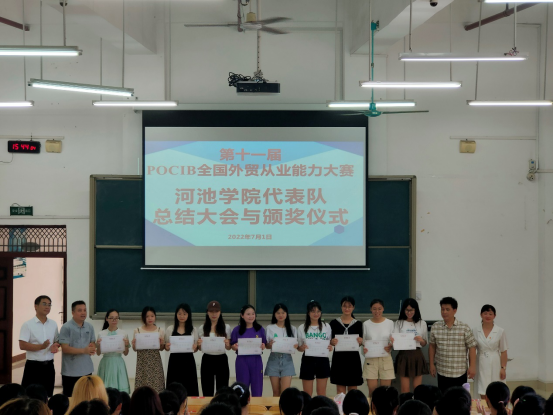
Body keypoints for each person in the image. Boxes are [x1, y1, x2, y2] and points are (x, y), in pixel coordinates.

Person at [429, 297, 477, 393]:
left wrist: (472, 366)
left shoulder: (464, 327)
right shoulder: (435, 327)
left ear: (455, 311)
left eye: (447, 309)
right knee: (444, 398)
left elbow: (472, 347)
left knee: (459, 398)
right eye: (442, 309)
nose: (444, 312)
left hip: (459, 372)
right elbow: (432, 346)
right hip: (442, 371)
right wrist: (431, 364)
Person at [19, 295, 60, 397]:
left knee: (47, 396)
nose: (47, 307)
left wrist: (56, 345)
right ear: (36, 306)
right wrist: (41, 347)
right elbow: (22, 345)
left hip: (49, 366)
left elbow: (57, 340)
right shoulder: (28, 324)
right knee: (30, 397)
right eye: (44, 304)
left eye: (49, 305)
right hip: (33, 367)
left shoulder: (53, 324)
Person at [59, 300, 96, 396]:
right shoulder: (66, 327)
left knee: (86, 398)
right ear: (73, 312)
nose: (83, 313)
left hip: (87, 370)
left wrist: (93, 347)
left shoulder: (89, 327)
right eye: (80, 310)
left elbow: (92, 342)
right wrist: (84, 350)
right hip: (70, 372)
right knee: (71, 399)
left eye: (85, 310)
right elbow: (65, 348)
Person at [393, 298, 429, 393]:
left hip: (417, 354)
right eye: (407, 310)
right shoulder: (399, 323)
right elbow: (395, 341)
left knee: (418, 389)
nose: (409, 312)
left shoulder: (422, 323)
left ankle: (417, 403)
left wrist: (421, 340)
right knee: (405, 389)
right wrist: (393, 341)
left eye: (411, 310)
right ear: (403, 310)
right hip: (403, 355)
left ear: (415, 310)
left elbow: (424, 343)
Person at [297, 301, 333, 397]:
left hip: (323, 360)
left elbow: (329, 343)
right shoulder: (302, 327)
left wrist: (330, 347)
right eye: (313, 311)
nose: (316, 314)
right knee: (307, 393)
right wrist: (301, 347)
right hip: (308, 360)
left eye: (318, 311)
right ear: (308, 312)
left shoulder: (326, 326)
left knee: (321, 392)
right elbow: (299, 348)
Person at [329, 296, 363, 394]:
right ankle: (340, 405)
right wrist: (332, 342)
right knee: (340, 390)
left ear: (353, 307)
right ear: (341, 307)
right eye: (344, 306)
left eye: (349, 306)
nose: (347, 308)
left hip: (353, 359)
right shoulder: (334, 323)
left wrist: (361, 341)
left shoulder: (358, 324)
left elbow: (361, 342)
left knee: (353, 390)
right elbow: (329, 340)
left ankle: (352, 405)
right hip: (339, 359)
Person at [473, 305, 508, 399]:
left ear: (494, 316)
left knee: (496, 389)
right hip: (480, 361)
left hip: (495, 362)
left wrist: (503, 368)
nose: (487, 316)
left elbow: (503, 351)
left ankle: (496, 406)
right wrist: (472, 367)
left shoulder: (500, 331)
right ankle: (483, 406)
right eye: (485, 313)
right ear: (481, 315)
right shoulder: (475, 330)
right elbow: (472, 349)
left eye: (490, 314)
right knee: (482, 387)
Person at [198, 301, 232, 396]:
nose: (214, 314)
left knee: (222, 390)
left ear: (220, 312)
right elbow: (200, 348)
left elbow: (229, 348)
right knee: (207, 389)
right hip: (207, 359)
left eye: (216, 311)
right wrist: (199, 344)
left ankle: (221, 405)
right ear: (207, 312)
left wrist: (227, 344)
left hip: (221, 359)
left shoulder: (226, 327)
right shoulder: (202, 328)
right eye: (211, 311)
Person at [231, 305, 266, 397]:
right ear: (242, 315)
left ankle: (257, 405)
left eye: (253, 314)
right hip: (242, 361)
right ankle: (242, 405)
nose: (251, 316)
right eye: (248, 314)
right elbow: (232, 346)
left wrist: (263, 346)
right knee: (242, 388)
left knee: (257, 388)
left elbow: (264, 344)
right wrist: (234, 347)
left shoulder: (260, 329)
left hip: (256, 360)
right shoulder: (237, 330)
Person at [165, 303, 199, 396]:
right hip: (174, 362)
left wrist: (195, 347)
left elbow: (196, 348)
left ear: (188, 315)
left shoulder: (193, 330)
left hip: (188, 362)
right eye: (179, 314)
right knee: (173, 387)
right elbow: (166, 347)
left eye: (184, 314)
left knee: (190, 386)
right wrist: (166, 347)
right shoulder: (170, 329)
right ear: (176, 315)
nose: (182, 316)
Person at [362, 299, 395, 396]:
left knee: (385, 392)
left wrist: (391, 345)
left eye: (379, 309)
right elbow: (363, 342)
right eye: (374, 309)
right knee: (372, 392)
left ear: (383, 309)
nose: (377, 311)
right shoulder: (366, 324)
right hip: (371, 360)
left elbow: (393, 340)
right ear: (370, 309)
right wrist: (364, 349)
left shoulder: (390, 323)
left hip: (386, 359)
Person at [265, 303, 298, 396]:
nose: (280, 315)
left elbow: (296, 344)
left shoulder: (292, 328)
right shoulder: (270, 328)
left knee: (285, 392)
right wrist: (269, 344)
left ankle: (284, 406)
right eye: (278, 313)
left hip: (287, 360)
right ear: (274, 314)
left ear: (286, 314)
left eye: (283, 313)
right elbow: (266, 346)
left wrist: (295, 346)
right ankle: (276, 406)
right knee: (275, 392)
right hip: (274, 359)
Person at [132, 306, 165, 393]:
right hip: (142, 362)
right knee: (142, 386)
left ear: (155, 317)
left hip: (155, 362)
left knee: (157, 386)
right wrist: (134, 345)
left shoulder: (160, 330)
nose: (150, 318)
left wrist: (162, 343)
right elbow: (135, 349)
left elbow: (161, 349)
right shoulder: (137, 330)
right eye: (147, 316)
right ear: (143, 317)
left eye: (152, 316)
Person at [97, 309, 131, 394]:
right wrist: (98, 345)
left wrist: (126, 345)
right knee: (105, 390)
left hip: (118, 362)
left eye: (116, 318)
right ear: (107, 319)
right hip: (106, 362)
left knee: (120, 389)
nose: (114, 320)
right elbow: (98, 353)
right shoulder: (101, 333)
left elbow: (126, 353)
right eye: (111, 318)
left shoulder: (123, 333)